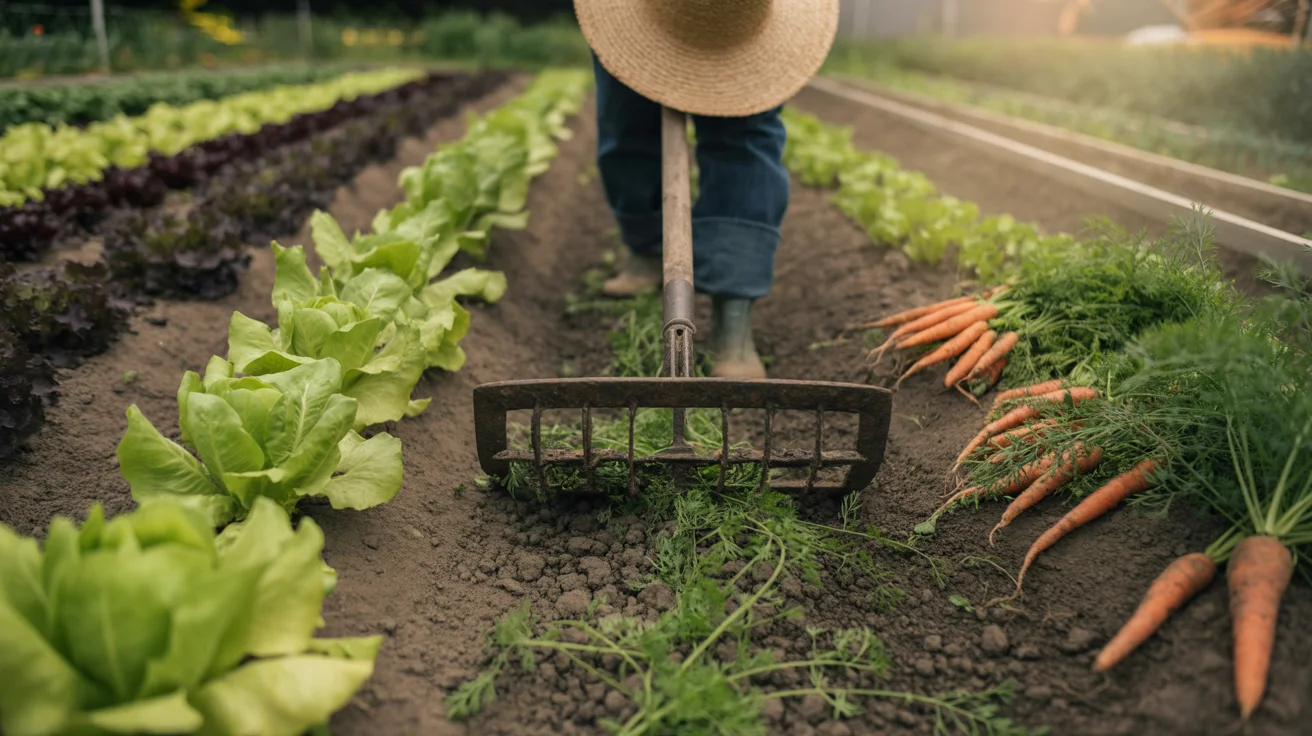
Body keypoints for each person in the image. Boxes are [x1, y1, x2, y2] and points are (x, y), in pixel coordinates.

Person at [573, 0, 839, 379]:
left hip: (737, 28)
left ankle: (733, 320)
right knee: (625, 124)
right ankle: (646, 248)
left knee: (745, 137)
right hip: (650, 10)